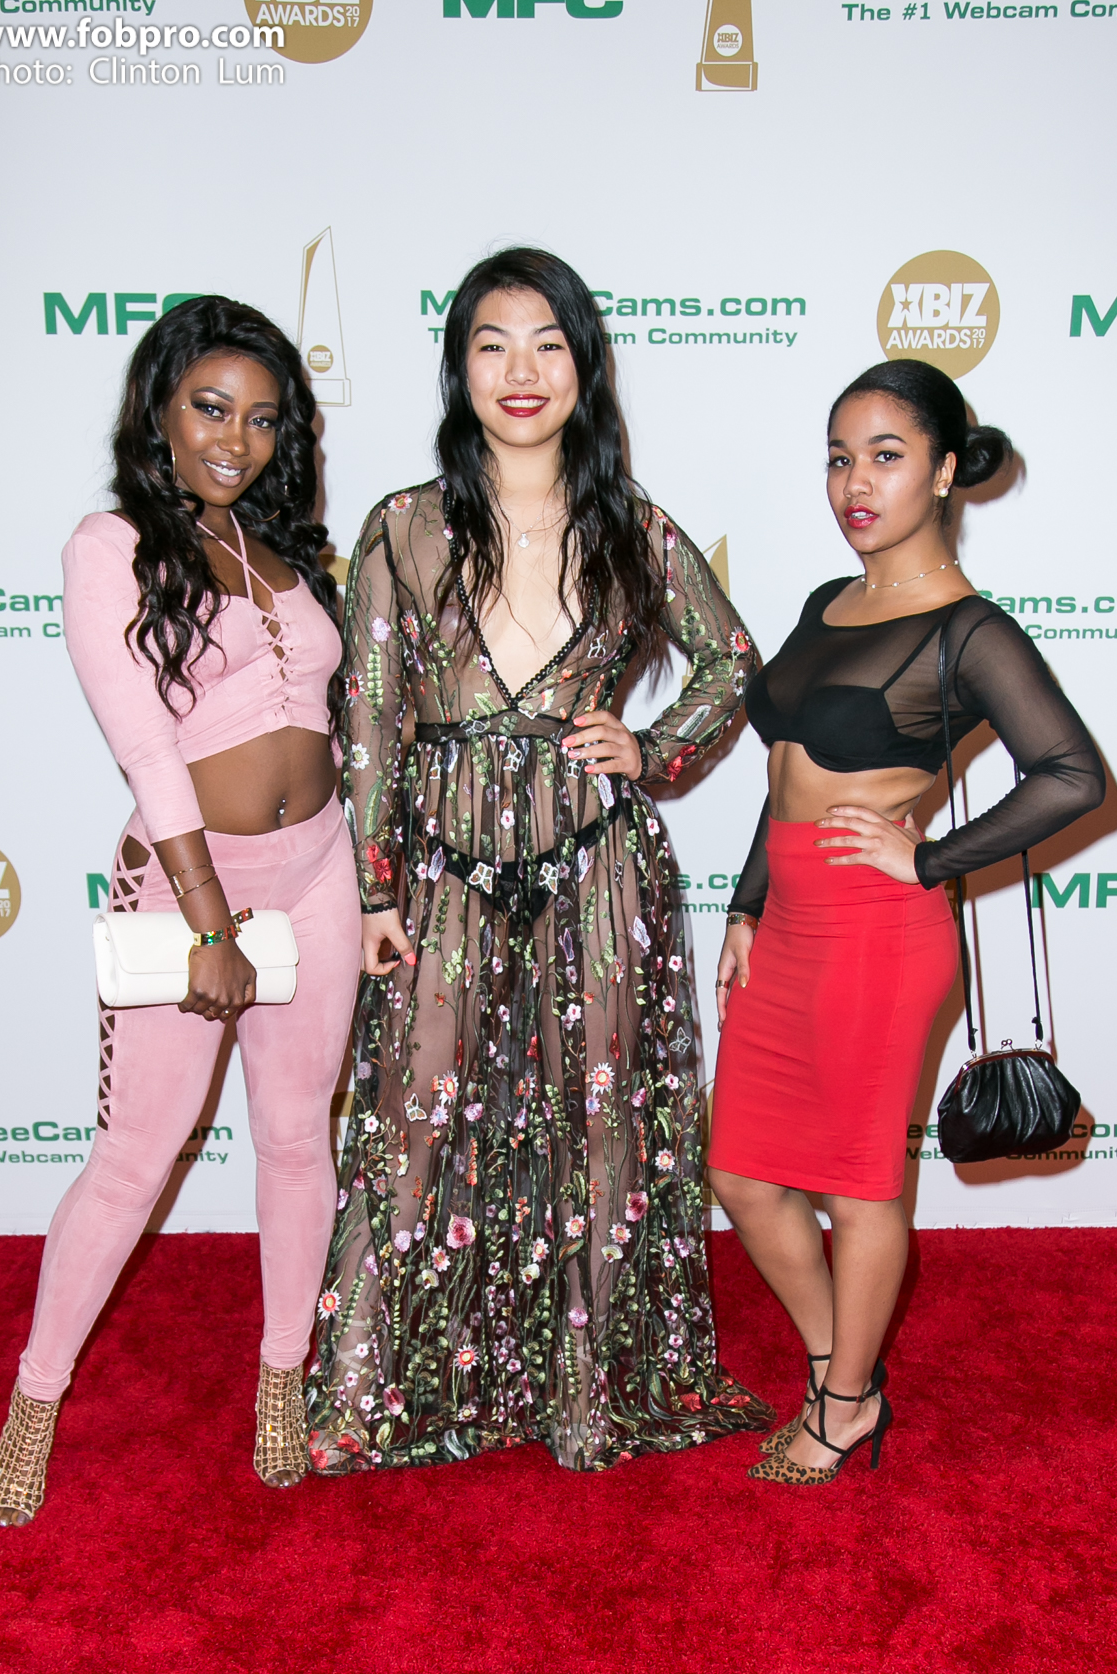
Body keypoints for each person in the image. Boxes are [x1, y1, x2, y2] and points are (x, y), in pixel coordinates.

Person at [306, 247, 771, 1474]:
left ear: (585, 365)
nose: (522, 370)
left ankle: (588, 1389)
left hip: (598, 869)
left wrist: (655, 750)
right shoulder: (403, 527)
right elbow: (370, 714)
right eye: (493, 344)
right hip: (444, 870)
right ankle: (371, 1392)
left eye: (548, 344)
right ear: (458, 368)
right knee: (413, 1121)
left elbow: (733, 663)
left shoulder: (631, 524)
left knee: (601, 1128)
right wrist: (373, 887)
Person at [0, 297, 359, 1525]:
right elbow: (145, 746)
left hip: (320, 868)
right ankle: (36, 1397)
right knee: (134, 1157)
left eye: (262, 418)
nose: (234, 439)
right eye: (210, 408)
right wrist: (208, 926)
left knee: (297, 1140)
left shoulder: (282, 549)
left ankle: (283, 1378)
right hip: (195, 884)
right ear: (158, 407)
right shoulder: (111, 545)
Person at [708, 358, 1104, 1487]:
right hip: (787, 923)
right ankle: (846, 1367)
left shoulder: (967, 632)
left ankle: (841, 1410)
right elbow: (783, 773)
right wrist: (746, 903)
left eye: (886, 456)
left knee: (858, 1184)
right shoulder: (824, 605)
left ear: (942, 471)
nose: (855, 483)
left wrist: (927, 858)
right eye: (840, 458)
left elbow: (1073, 776)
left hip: (877, 935)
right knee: (741, 1175)